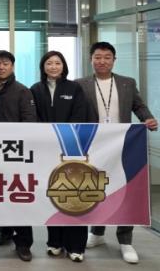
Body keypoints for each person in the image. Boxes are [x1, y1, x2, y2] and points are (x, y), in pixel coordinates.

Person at [76, 41, 158, 264]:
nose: (102, 61)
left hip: (124, 145)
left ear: (114, 60)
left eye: (107, 57)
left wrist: (148, 119)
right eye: (97, 57)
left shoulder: (127, 83)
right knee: (96, 187)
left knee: (125, 189)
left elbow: (138, 106)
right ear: (91, 59)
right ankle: (97, 233)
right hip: (94, 145)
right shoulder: (80, 84)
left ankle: (125, 240)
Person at [30, 50, 91, 263]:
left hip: (72, 148)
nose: (53, 66)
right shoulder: (35, 89)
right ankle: (54, 242)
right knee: (54, 195)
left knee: (74, 195)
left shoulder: (74, 88)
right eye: (49, 63)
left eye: (57, 63)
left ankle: (76, 246)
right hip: (46, 149)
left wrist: (65, 137)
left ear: (63, 66)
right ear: (43, 67)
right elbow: (34, 117)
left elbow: (80, 115)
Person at [0, 50, 37, 261]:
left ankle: (24, 243)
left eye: (5, 63)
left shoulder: (22, 91)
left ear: (12, 66)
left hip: (15, 152)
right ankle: (5, 231)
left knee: (18, 196)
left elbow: (30, 122)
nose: (1, 67)